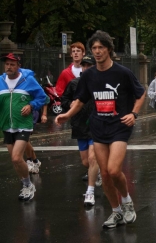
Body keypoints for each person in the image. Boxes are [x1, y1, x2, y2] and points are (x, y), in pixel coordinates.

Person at [55, 30, 145, 229]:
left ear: (109, 50)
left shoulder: (123, 73)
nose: (97, 52)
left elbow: (140, 93)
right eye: (94, 48)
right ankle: (116, 212)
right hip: (98, 127)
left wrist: (134, 114)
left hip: (120, 126)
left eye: (100, 48)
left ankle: (127, 201)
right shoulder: (89, 75)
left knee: (114, 170)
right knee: (104, 174)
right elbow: (80, 101)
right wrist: (67, 115)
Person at [0, 53, 47, 201]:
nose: (9, 67)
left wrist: (31, 105)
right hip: (6, 125)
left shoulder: (28, 81)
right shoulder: (1, 81)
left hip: (23, 125)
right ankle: (26, 184)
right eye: (7, 64)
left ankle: (28, 186)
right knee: (16, 161)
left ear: (18, 66)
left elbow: (43, 97)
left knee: (15, 158)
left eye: (12, 64)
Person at [61, 55, 102, 206]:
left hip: (95, 125)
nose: (86, 67)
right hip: (79, 126)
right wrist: (69, 104)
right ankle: (97, 172)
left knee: (92, 158)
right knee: (86, 161)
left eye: (89, 65)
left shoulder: (100, 83)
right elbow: (63, 100)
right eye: (84, 65)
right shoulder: (74, 84)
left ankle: (89, 192)